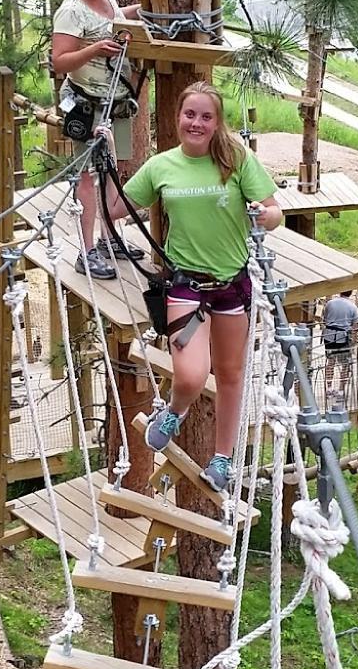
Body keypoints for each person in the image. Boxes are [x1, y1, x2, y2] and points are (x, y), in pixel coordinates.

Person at [101, 81, 283, 491]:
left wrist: (263, 217)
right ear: (178, 118)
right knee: (191, 376)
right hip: (185, 285)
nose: (196, 123)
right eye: (190, 115)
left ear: (217, 124)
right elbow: (115, 210)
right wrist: (107, 161)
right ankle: (174, 411)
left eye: (205, 117)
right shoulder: (162, 166)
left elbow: (275, 211)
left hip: (231, 284)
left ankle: (223, 459)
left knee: (232, 374)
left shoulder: (235, 159)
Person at [51, 0, 141, 279]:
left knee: (114, 170)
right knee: (89, 176)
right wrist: (94, 51)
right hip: (89, 105)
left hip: (117, 101)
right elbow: (59, 61)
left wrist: (138, 13)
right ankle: (85, 250)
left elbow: (114, 19)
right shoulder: (72, 9)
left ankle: (109, 238)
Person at [321, 290, 358, 406]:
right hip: (342, 338)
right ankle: (341, 390)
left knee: (330, 361)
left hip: (328, 336)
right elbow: (355, 326)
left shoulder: (330, 303)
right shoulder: (353, 307)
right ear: (351, 292)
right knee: (345, 364)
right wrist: (354, 339)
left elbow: (324, 318)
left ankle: (328, 387)